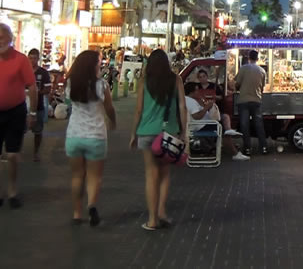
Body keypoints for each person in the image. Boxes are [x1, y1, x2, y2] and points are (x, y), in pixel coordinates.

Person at [0, 23, 38, 210]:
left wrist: (33, 113)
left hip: (15, 112)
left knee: (12, 154)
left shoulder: (20, 60)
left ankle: (12, 191)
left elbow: (32, 87)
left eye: (1, 38)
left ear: (10, 38)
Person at [130, 49, 187, 231]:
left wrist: (133, 133)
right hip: (168, 133)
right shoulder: (176, 79)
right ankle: (162, 212)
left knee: (151, 175)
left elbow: (139, 109)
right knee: (164, 174)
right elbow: (182, 106)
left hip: (146, 133)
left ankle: (152, 219)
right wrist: (184, 132)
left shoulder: (144, 81)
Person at [65, 50, 117, 226]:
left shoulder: (71, 83)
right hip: (96, 136)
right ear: (92, 65)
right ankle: (92, 205)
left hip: (74, 135)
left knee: (76, 176)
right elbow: (109, 109)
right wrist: (113, 121)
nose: (100, 65)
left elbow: (68, 102)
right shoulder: (101, 85)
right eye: (98, 62)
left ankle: (76, 213)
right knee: (94, 176)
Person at [184, 84, 247, 161]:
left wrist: (205, 106)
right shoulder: (190, 102)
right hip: (200, 126)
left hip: (204, 123)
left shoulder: (190, 100)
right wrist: (206, 107)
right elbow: (197, 116)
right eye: (197, 90)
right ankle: (235, 153)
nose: (199, 92)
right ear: (191, 92)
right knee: (222, 130)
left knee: (224, 118)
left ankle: (229, 132)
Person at [235, 50, 268, 156]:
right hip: (256, 100)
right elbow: (262, 87)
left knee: (245, 125)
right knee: (259, 125)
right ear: (257, 59)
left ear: (248, 58)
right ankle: (263, 148)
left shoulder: (243, 68)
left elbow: (237, 83)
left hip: (243, 100)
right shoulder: (262, 71)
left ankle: (247, 148)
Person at [28, 48, 51, 162]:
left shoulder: (43, 73)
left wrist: (38, 93)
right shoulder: (23, 71)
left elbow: (48, 88)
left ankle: (36, 152)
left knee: (38, 131)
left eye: (34, 58)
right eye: (30, 58)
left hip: (38, 106)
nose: (32, 60)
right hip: (23, 106)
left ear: (38, 59)